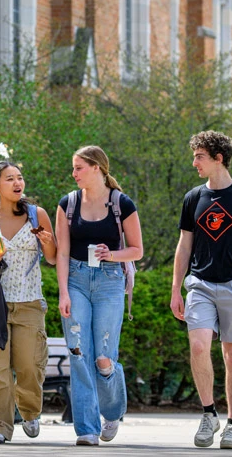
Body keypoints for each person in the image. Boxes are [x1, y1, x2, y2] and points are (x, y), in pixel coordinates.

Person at [170, 131, 232, 450]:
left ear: (218, 158)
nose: (194, 162)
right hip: (200, 283)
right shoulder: (193, 198)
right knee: (199, 346)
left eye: (199, 156)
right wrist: (176, 288)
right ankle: (208, 414)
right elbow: (184, 245)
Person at [54, 146, 143, 446]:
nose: (74, 173)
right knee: (79, 354)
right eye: (73, 167)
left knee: (104, 359)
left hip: (109, 281)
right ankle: (87, 429)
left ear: (97, 168)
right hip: (76, 280)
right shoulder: (68, 203)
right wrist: (63, 292)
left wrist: (113, 254)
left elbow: (137, 250)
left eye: (79, 167)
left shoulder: (122, 203)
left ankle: (113, 412)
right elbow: (62, 252)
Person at [0, 161, 57, 444]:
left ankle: (30, 412)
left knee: (30, 365)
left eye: (20, 177)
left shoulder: (36, 214)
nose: (18, 183)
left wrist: (48, 241)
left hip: (29, 302)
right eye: (9, 179)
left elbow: (52, 257)